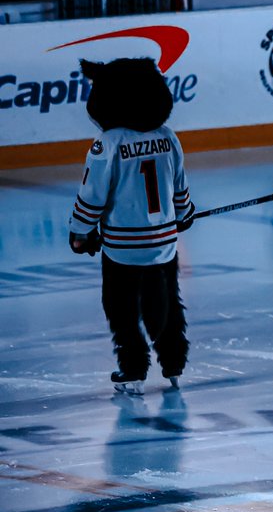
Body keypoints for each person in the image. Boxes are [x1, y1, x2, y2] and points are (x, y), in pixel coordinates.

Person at [68, 57, 195, 397]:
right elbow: (178, 187)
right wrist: (184, 213)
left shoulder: (108, 143)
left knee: (121, 308)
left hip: (123, 248)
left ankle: (133, 366)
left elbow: (92, 195)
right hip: (164, 243)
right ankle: (173, 360)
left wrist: (81, 232)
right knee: (166, 300)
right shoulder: (169, 137)